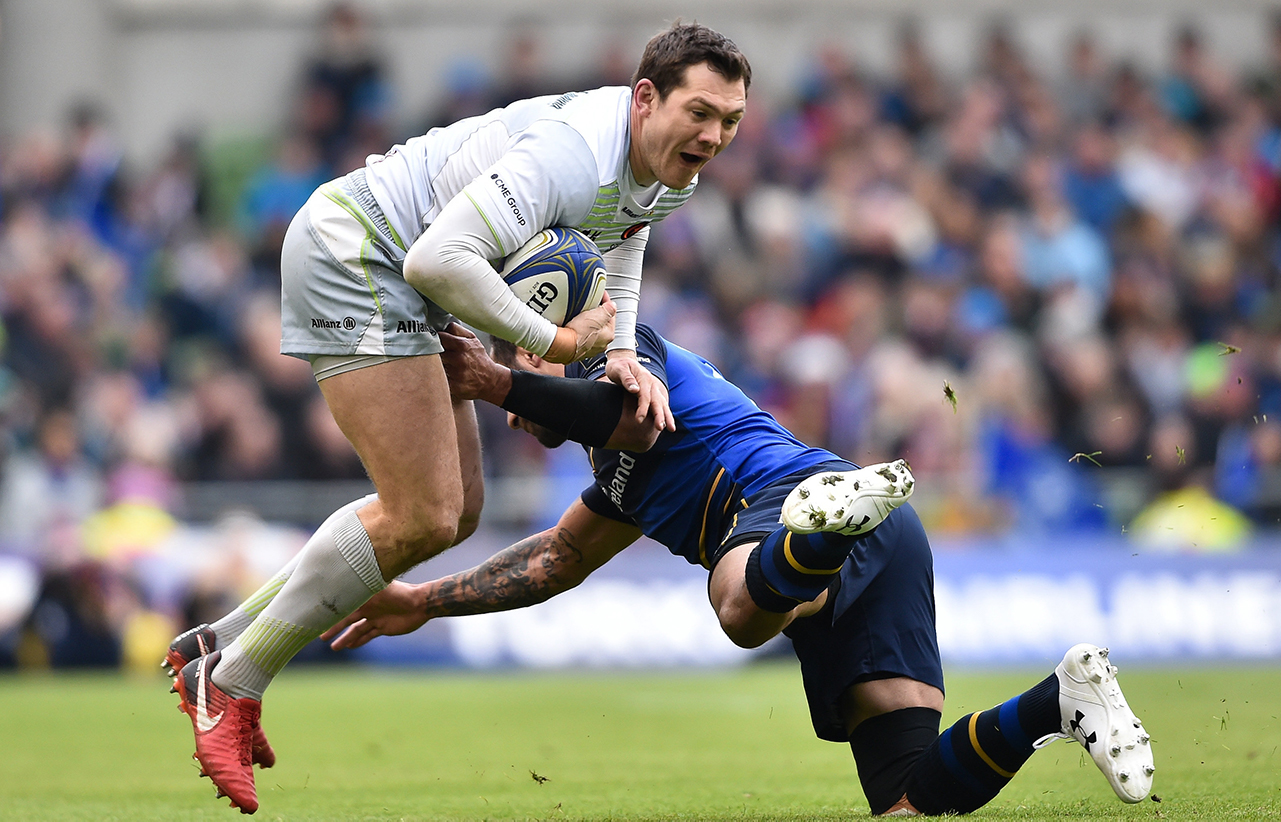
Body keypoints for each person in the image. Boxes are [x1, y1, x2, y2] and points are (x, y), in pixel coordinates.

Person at [165, 22, 752, 814]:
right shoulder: (572, 153)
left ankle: (218, 641)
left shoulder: (667, 166)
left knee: (456, 514)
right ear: (645, 98)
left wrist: (616, 350)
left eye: (731, 121)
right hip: (360, 252)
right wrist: (547, 341)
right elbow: (433, 259)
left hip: (413, 276)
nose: (714, 135)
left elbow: (623, 239)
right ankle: (231, 680)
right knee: (422, 510)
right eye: (702, 113)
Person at [319, 322, 1156, 817]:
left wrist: (498, 380)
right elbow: (554, 558)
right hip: (882, 534)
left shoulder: (619, 352)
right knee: (905, 796)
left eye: (517, 380)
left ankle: (817, 539)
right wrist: (422, 602)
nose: (510, 419)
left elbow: (628, 421)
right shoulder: (613, 478)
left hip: (788, 498)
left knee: (736, 610)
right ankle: (1060, 698)